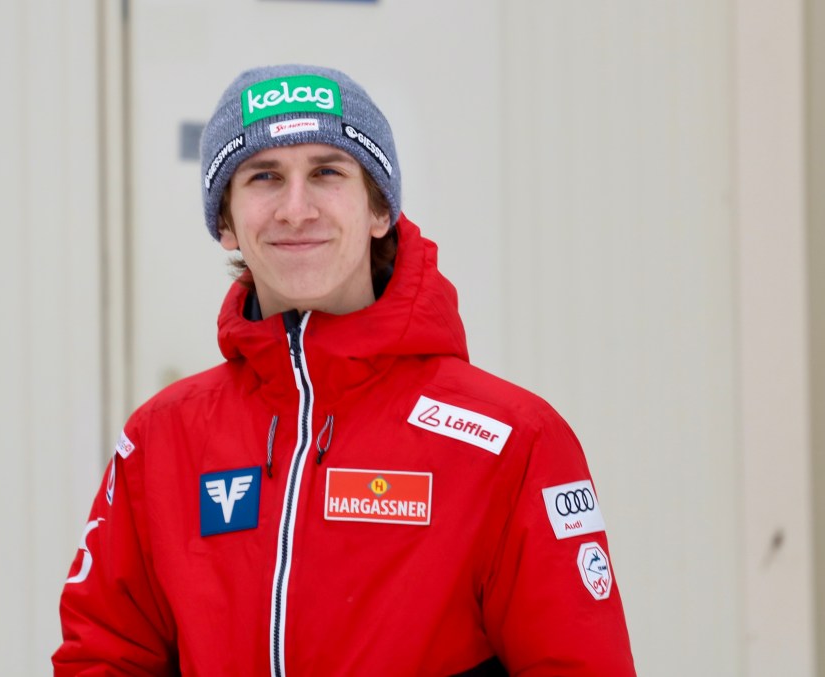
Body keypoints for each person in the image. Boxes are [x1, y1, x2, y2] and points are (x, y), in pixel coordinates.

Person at [53, 64, 636, 676]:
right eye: (264, 176)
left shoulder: (511, 442)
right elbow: (104, 656)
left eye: (327, 172)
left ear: (380, 211)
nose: (295, 209)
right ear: (225, 222)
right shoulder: (160, 440)